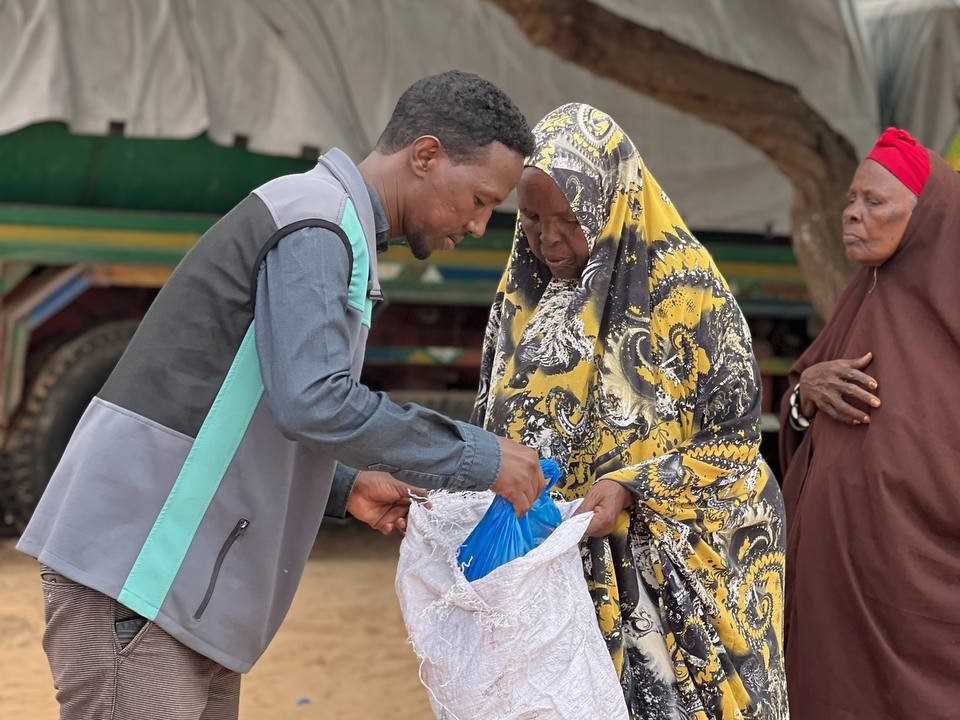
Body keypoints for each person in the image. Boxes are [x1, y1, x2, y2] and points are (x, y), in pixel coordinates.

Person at [16, 70, 545, 719]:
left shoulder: (330, 228)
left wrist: (343, 484)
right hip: (143, 573)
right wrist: (482, 457)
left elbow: (250, 403)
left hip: (172, 583)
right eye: (480, 198)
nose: (480, 223)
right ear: (427, 155)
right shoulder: (314, 223)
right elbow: (314, 401)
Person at [472, 103, 788, 720]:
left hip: (675, 592)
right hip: (560, 583)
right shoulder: (524, 296)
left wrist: (629, 485)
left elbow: (735, 447)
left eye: (570, 220)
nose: (549, 239)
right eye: (531, 219)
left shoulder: (687, 296)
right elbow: (495, 419)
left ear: (613, 204)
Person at [779, 127, 959, 719]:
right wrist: (806, 393)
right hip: (835, 603)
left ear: (926, 215)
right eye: (850, 202)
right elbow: (798, 419)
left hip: (927, 609)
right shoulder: (862, 298)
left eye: (874, 203)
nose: (852, 216)